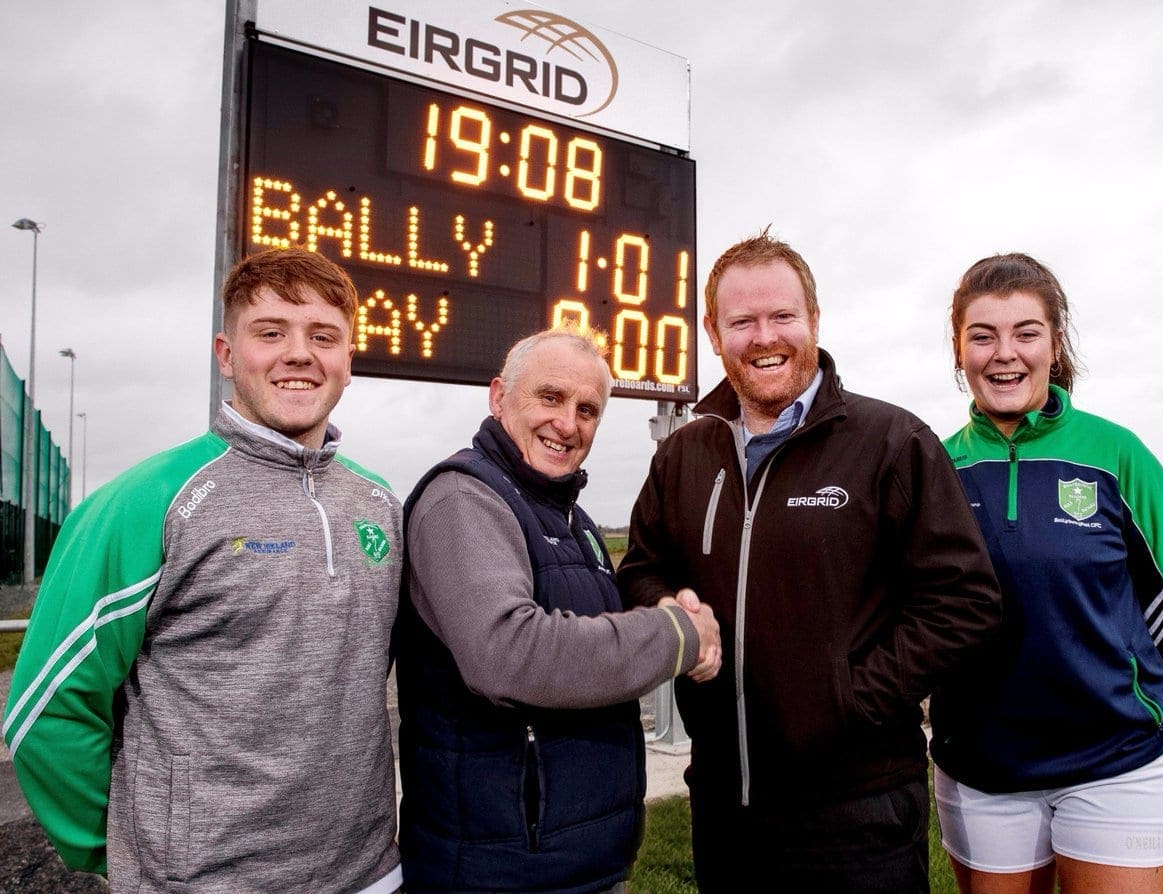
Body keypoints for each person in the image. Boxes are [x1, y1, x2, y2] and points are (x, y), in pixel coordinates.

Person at [3, 248, 404, 894]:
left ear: (348, 360)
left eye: (323, 336)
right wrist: (126, 850)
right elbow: (46, 709)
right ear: (225, 354)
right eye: (270, 332)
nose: (299, 353)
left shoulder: (381, 504)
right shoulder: (146, 502)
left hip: (369, 876)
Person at [617, 229, 1003, 892]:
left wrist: (850, 698)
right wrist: (668, 611)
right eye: (742, 321)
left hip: (858, 817)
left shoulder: (890, 441)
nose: (764, 337)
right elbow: (641, 567)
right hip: (723, 808)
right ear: (714, 333)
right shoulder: (684, 453)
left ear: (814, 321)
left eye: (782, 317)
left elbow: (965, 601)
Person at [397, 324, 722, 894]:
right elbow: (508, 653)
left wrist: (673, 609)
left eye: (588, 409)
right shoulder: (463, 499)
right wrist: (677, 635)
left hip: (581, 864)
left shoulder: (573, 518)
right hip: (499, 874)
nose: (568, 424)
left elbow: (603, 631)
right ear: (500, 396)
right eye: (550, 398)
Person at [928, 253, 1163, 894]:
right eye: (982, 335)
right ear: (958, 349)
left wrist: (1104, 677)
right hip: (982, 771)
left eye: (1026, 332)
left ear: (1055, 343)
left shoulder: (1117, 454)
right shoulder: (934, 466)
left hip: (1116, 762)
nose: (1004, 354)